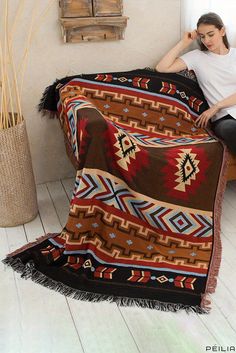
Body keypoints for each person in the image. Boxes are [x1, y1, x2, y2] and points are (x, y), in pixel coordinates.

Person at [156, 12, 236, 155]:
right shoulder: (197, 57)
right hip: (223, 119)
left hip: (220, 109)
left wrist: (217, 106)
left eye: (211, 34)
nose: (207, 40)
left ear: (222, 31)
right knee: (231, 130)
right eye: (202, 36)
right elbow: (162, 68)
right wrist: (183, 43)